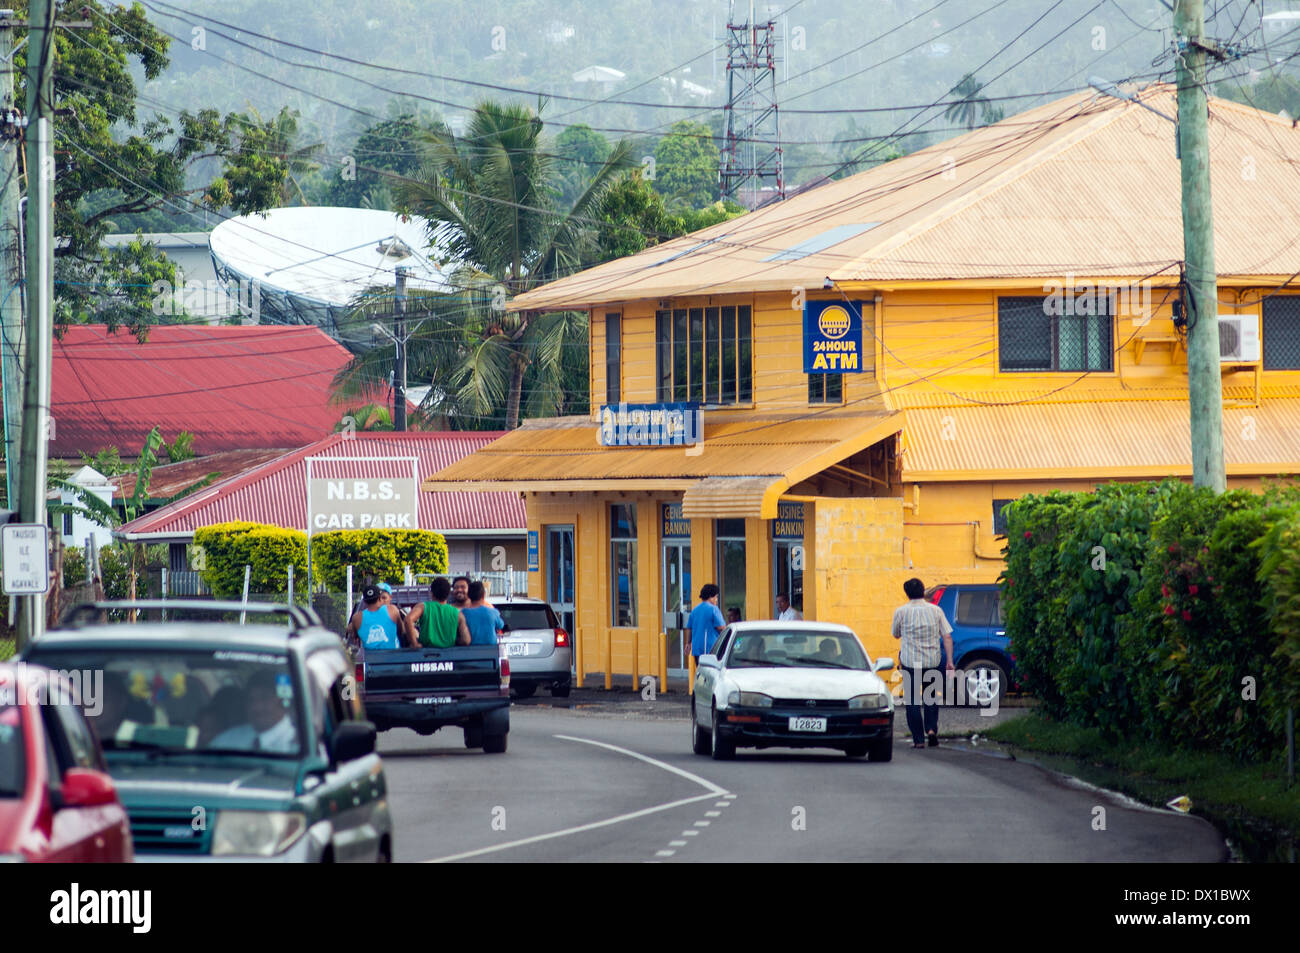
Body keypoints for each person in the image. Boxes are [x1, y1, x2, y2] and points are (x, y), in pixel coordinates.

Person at [891, 577, 954, 749]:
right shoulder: (936, 611)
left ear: (907, 593)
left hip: (910, 661)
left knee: (912, 700)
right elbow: (947, 636)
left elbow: (895, 634)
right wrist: (949, 661)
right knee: (931, 697)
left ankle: (918, 739)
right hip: (933, 660)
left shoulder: (901, 612)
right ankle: (932, 730)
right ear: (923, 590)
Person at [209, 669, 298, 753]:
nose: (256, 707)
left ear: (283, 701)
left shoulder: (298, 747)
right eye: (251, 700)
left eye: (265, 699)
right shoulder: (226, 742)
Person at [407, 576, 471, 648]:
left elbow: (408, 619)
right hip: (449, 655)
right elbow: (466, 640)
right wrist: (455, 641)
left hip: (426, 654)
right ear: (448, 594)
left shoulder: (423, 607)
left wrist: (414, 643)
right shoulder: (457, 613)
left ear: (432, 593)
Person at [346, 585, 411, 650]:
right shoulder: (392, 610)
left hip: (370, 658)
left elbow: (354, 637)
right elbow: (401, 630)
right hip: (393, 656)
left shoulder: (356, 618)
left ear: (365, 601)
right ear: (380, 598)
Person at [687, 584, 726, 662]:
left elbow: (690, 628)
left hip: (697, 649)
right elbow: (721, 627)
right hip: (710, 648)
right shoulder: (714, 609)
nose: (716, 600)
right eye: (716, 597)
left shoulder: (694, 610)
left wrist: (688, 643)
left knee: (701, 671)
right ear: (710, 597)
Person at [461, 580, 504, 645]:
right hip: (490, 651)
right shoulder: (493, 612)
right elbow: (500, 625)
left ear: (468, 596)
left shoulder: (462, 613)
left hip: (469, 651)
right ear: (484, 595)